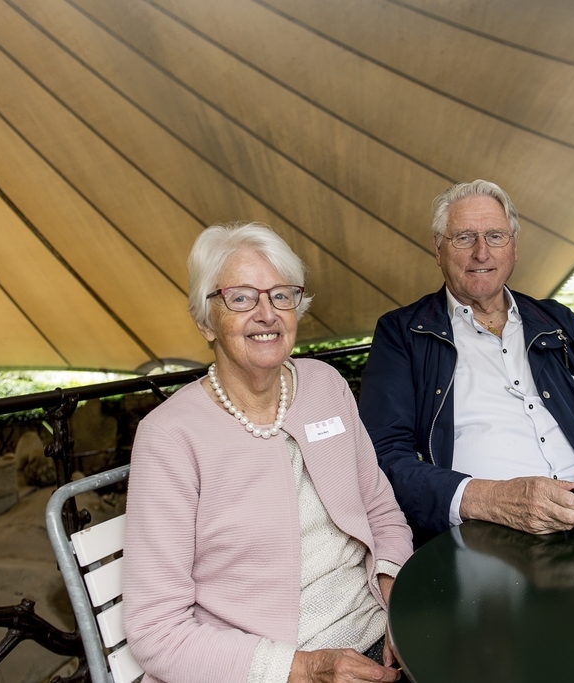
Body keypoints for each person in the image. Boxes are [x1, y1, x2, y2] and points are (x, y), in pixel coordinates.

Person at [123, 223, 412, 683]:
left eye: (280, 295)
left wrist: (398, 599)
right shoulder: (169, 437)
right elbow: (156, 630)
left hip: (378, 633)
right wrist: (304, 668)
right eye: (241, 298)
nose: (266, 314)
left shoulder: (324, 385)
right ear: (204, 320)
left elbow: (379, 507)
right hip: (270, 667)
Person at [359, 180, 574, 544]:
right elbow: (382, 456)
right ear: (438, 249)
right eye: (464, 237)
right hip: (486, 538)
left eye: (496, 236)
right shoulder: (403, 333)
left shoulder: (557, 322)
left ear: (514, 248)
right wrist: (488, 499)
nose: (482, 253)